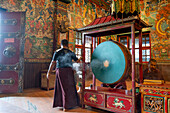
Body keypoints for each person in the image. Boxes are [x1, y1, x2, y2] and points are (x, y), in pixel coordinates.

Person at [47, 39, 81, 112]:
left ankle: (65, 106)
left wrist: (48, 72)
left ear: (61, 44)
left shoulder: (57, 52)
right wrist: (80, 58)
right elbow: (77, 61)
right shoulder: (71, 52)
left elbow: (52, 63)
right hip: (69, 71)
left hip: (61, 71)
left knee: (62, 87)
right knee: (70, 87)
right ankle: (71, 104)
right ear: (67, 44)